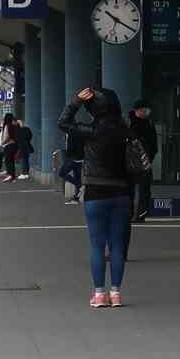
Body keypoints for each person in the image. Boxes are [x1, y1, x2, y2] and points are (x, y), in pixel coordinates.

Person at [79, 89, 134, 306]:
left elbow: (62, 123)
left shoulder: (91, 130)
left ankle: (100, 294)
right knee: (117, 246)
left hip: (95, 192)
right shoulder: (125, 131)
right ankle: (116, 293)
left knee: (97, 245)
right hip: (121, 193)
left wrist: (76, 101)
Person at [56, 87, 98, 204]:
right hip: (77, 158)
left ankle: (79, 187)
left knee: (62, 173)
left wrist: (76, 101)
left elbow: (62, 123)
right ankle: (77, 196)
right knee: (77, 176)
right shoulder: (76, 131)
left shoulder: (75, 131)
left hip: (74, 157)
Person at [126, 101, 161, 221]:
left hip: (144, 161)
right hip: (133, 162)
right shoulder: (131, 124)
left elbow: (153, 145)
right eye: (145, 110)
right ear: (138, 110)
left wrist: (149, 158)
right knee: (134, 189)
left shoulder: (147, 123)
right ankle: (133, 213)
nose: (147, 112)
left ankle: (140, 213)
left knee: (143, 189)